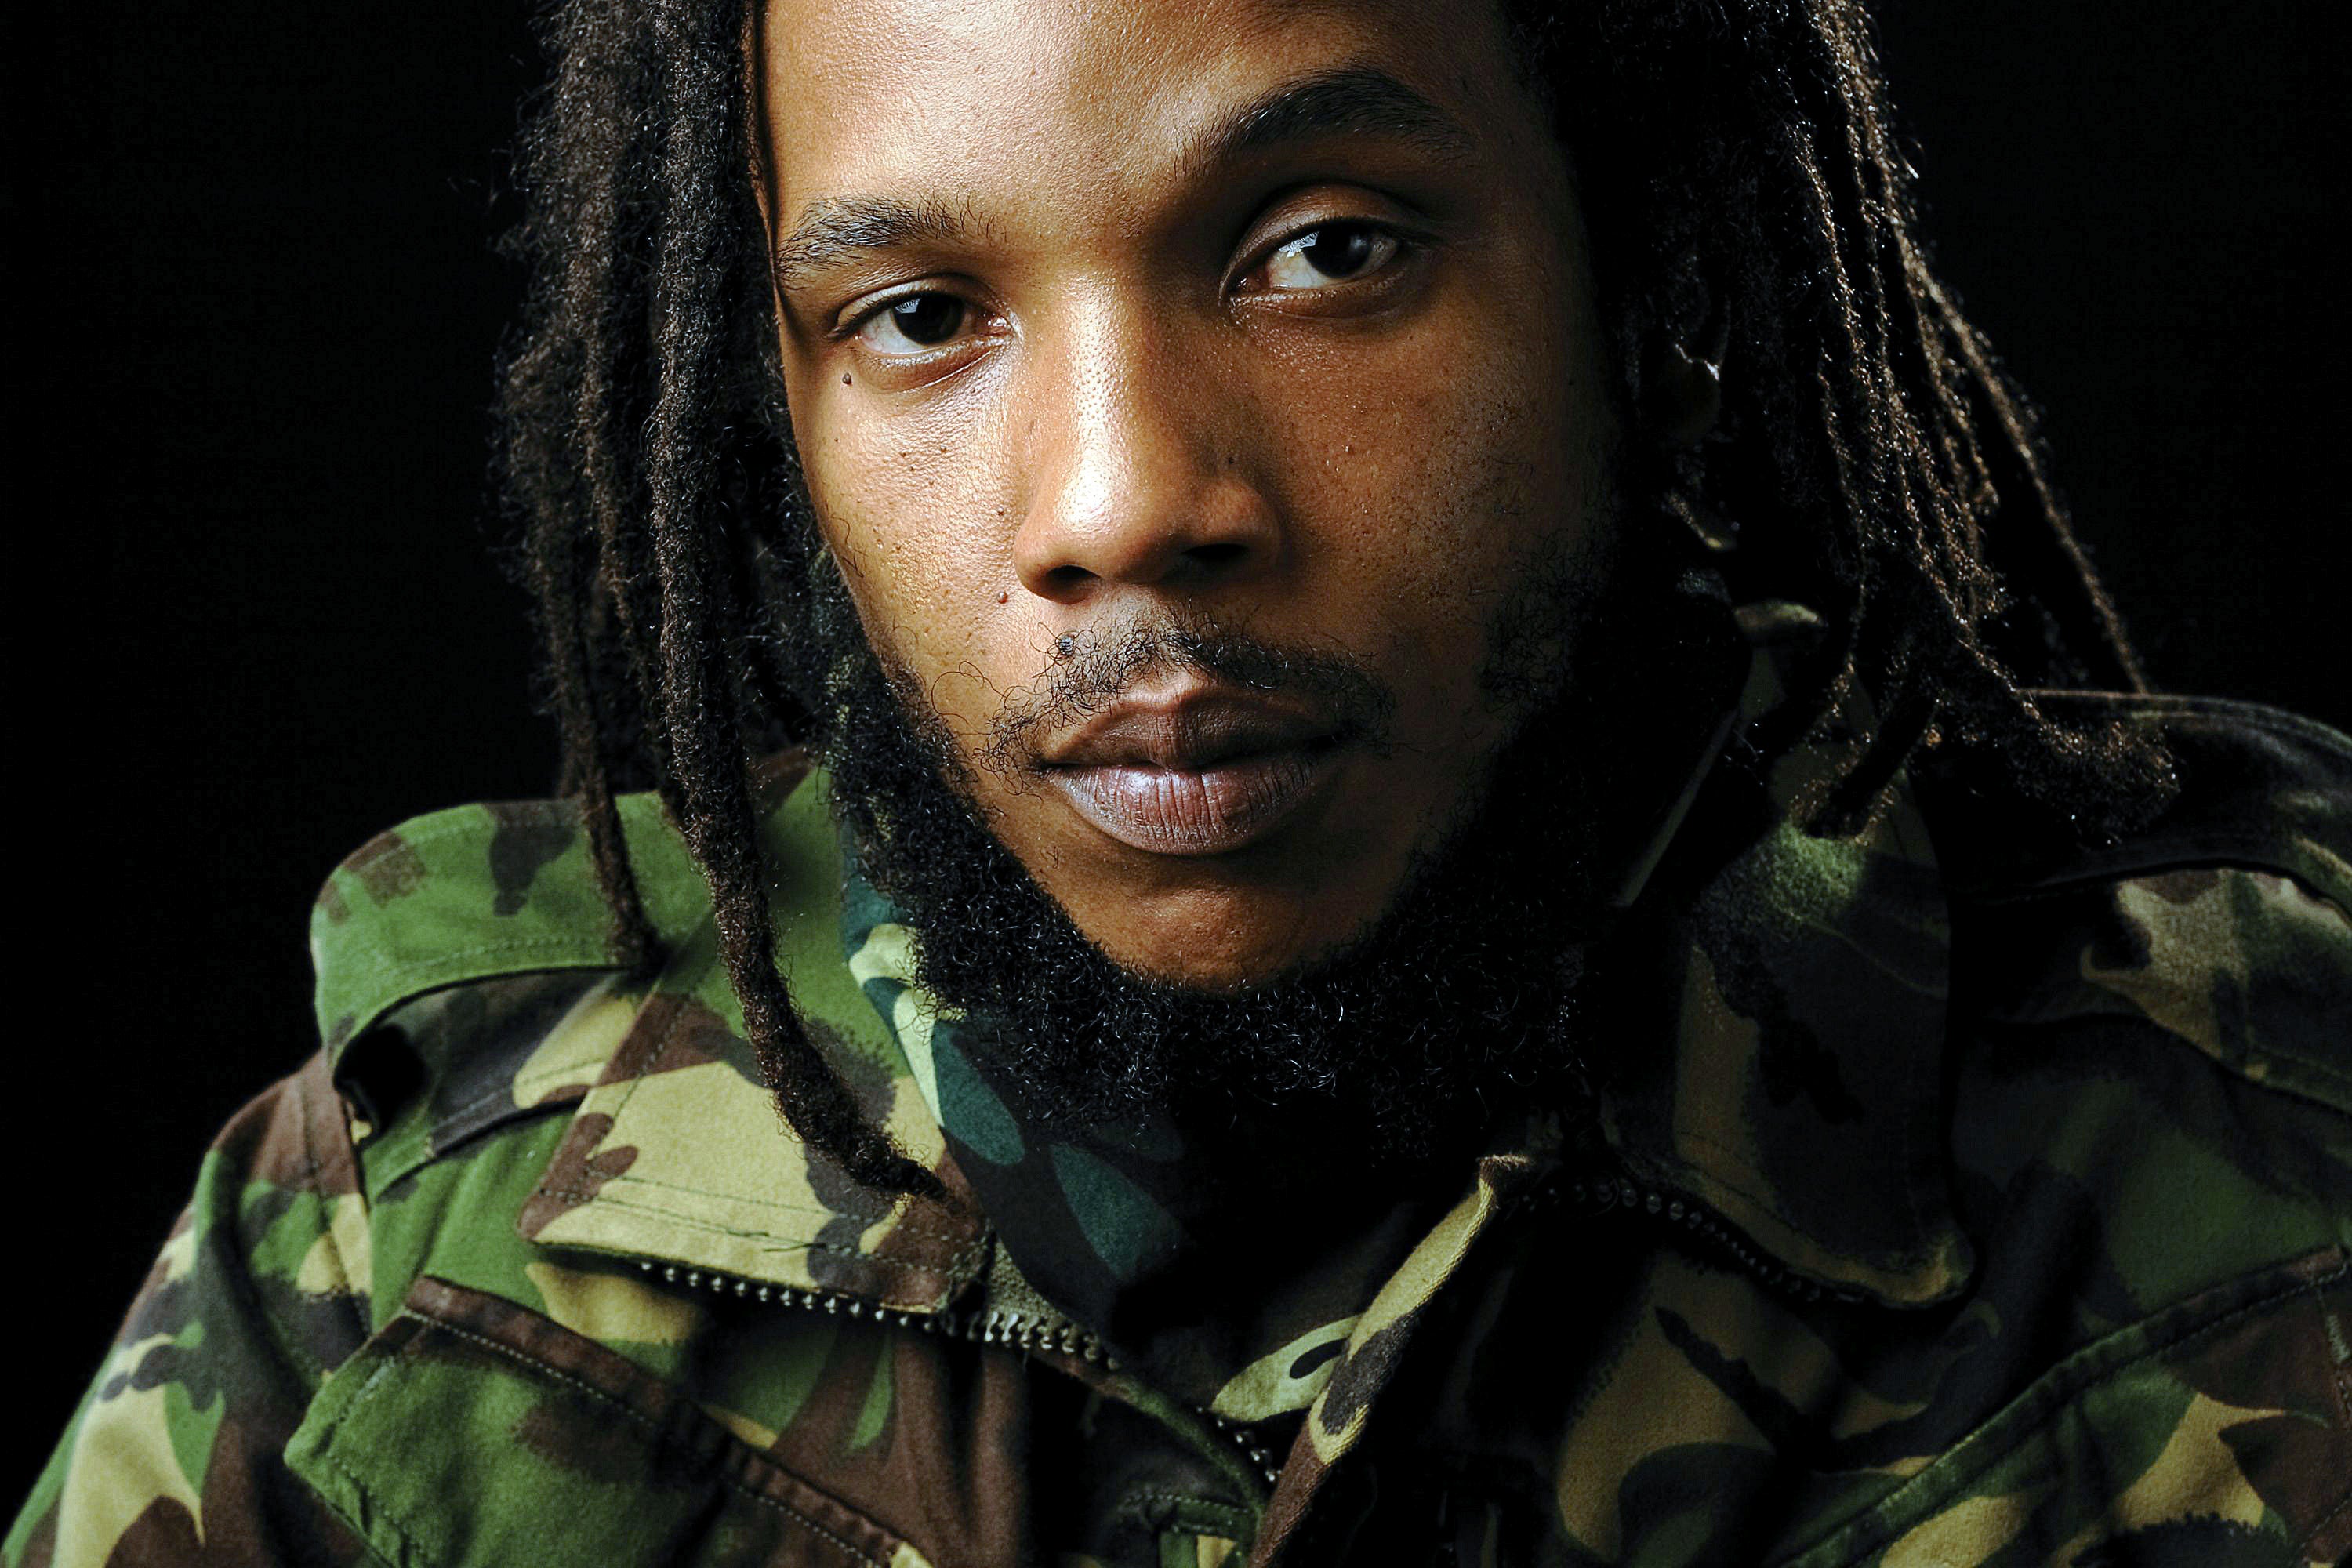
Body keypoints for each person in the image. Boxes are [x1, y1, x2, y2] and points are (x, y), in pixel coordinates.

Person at [13, 0, 2349, 1562]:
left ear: (1641, 285)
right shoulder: (400, 1243)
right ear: (779, 410)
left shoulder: (2280, 1103)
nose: (1122, 503)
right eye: (921, 318)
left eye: (1324, 253)